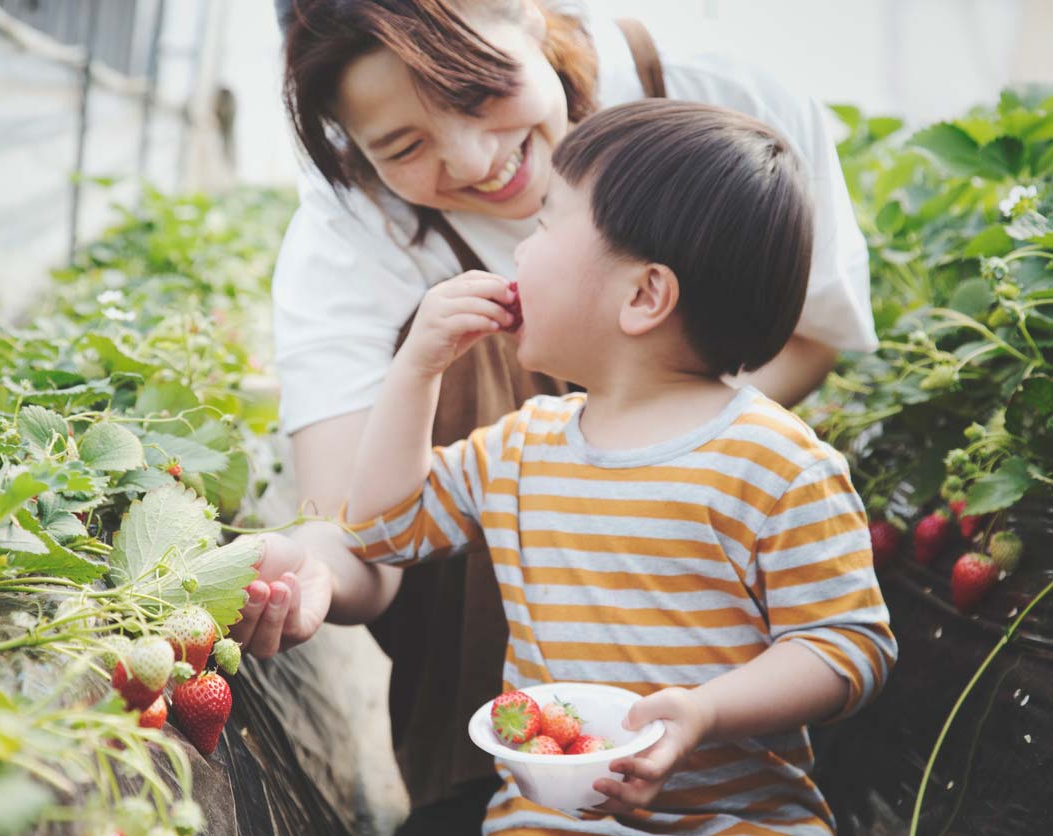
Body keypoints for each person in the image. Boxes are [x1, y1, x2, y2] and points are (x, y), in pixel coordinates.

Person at [233, 1, 879, 830]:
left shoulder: (779, 466)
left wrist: (667, 452)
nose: (475, 161)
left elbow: (848, 639)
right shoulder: (518, 450)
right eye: (403, 147)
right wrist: (414, 375)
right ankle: (467, 777)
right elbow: (374, 528)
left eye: (474, 94)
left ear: (530, 17)